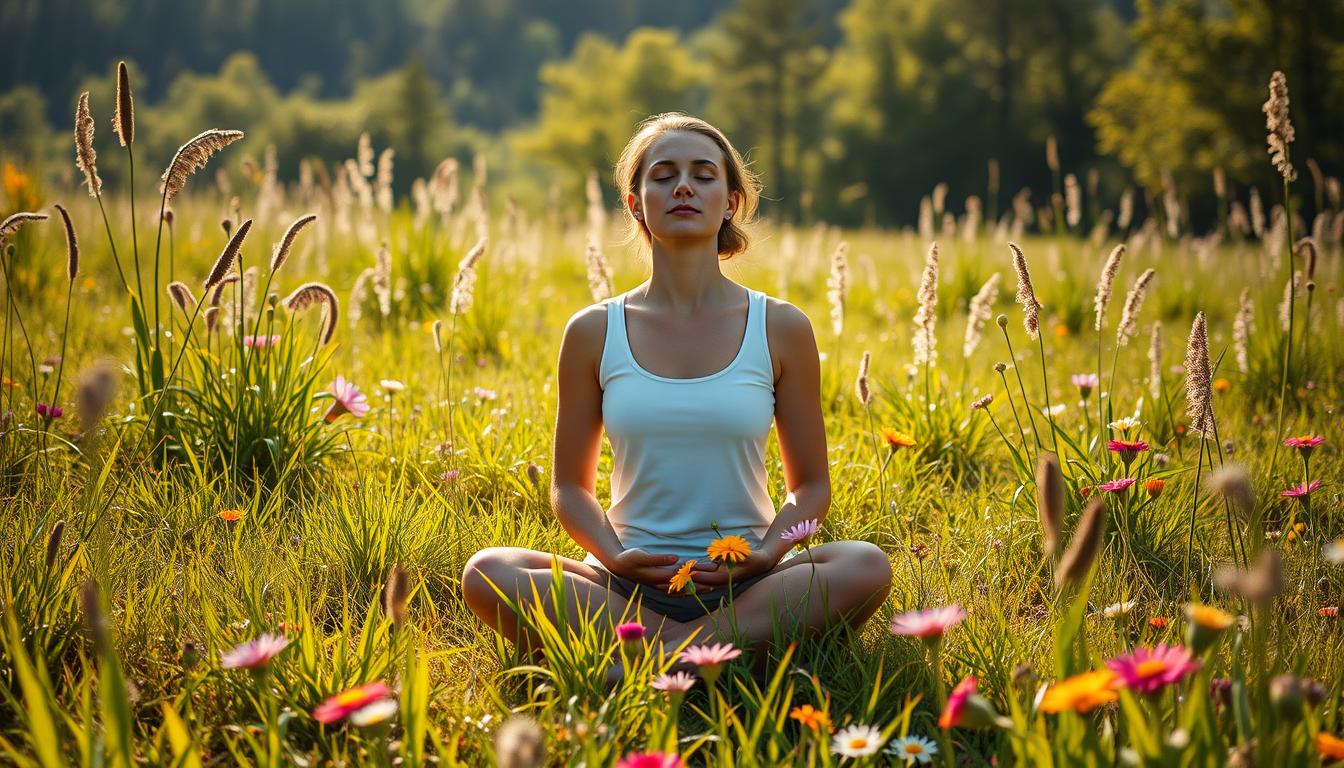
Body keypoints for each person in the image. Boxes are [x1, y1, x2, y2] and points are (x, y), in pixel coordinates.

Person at [461, 113, 892, 664]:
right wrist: (615, 558)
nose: (683, 185)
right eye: (663, 175)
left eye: (703, 174)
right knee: (489, 571)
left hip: (747, 582)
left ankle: (650, 656)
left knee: (865, 564)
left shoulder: (781, 327)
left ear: (731, 201)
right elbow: (569, 487)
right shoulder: (593, 330)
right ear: (636, 203)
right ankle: (712, 656)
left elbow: (810, 489)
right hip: (625, 585)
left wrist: (764, 556)